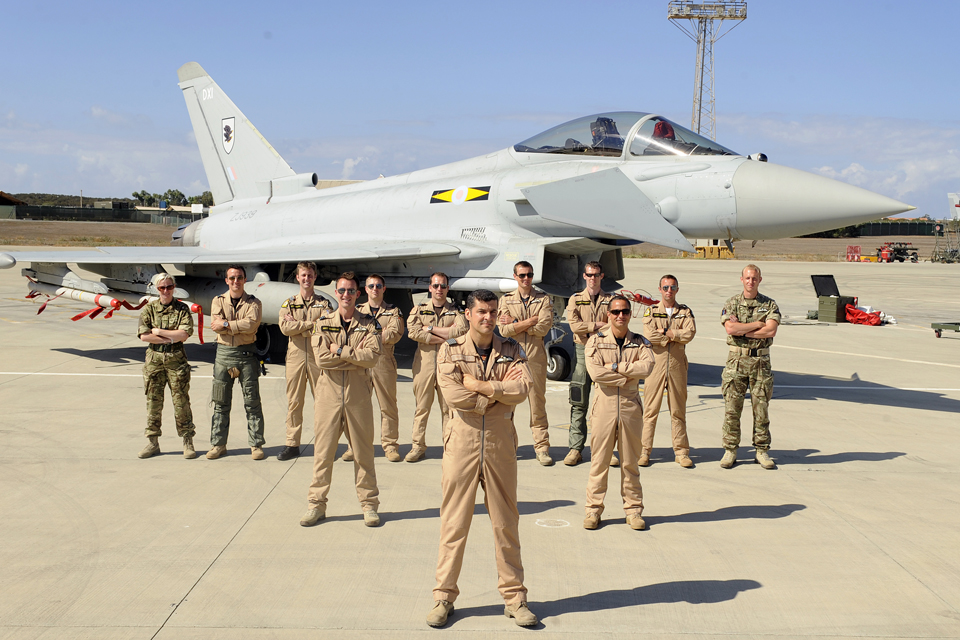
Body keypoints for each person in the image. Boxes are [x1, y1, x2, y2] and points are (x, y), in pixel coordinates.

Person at [427, 289, 538, 628]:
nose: (487, 317)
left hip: (500, 443)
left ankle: (515, 598)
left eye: (492, 311)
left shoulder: (512, 348)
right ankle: (443, 597)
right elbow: (453, 395)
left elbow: (523, 389)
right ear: (469, 314)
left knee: (506, 522)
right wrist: (495, 393)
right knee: (454, 522)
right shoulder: (450, 349)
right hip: (462, 441)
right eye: (481, 311)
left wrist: (482, 386)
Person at [300, 272, 383, 527]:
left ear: (358, 294)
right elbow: (322, 359)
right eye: (341, 291)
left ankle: (369, 505)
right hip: (328, 393)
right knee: (323, 452)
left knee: (363, 452)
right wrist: (352, 355)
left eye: (350, 291)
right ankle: (316, 505)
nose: (346, 295)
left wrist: (339, 350)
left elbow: (372, 357)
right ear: (335, 293)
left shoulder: (370, 324)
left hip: (358, 394)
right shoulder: (322, 322)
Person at [583, 295, 655, 531]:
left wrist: (616, 367)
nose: (620, 316)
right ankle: (593, 510)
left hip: (630, 407)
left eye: (624, 311)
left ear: (630, 314)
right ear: (608, 315)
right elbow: (595, 374)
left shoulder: (640, 342)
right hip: (603, 406)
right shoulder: (595, 341)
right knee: (599, 462)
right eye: (615, 312)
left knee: (630, 462)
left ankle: (634, 510)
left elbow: (647, 367)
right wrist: (628, 376)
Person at [720, 264, 780, 470]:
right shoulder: (732, 303)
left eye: (754, 278)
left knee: (761, 409)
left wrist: (742, 331)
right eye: (747, 278)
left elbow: (771, 331)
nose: (750, 281)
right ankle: (730, 450)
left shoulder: (769, 304)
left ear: (759, 280)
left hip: (760, 363)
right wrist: (757, 325)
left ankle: (762, 451)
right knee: (732, 409)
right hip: (736, 363)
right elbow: (730, 327)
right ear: (741, 279)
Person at [341, 274, 405, 462]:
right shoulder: (358, 310)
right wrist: (378, 336)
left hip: (383, 364)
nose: (375, 288)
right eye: (371, 286)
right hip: (360, 364)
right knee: (357, 407)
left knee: (388, 407)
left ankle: (390, 445)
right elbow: (350, 335)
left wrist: (368, 337)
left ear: (384, 289)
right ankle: (355, 446)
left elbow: (394, 334)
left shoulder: (394, 311)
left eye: (378, 285)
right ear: (366, 289)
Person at [405, 272, 467, 462]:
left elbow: (461, 331)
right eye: (436, 285)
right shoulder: (419, 309)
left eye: (443, 286)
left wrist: (430, 329)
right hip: (424, 366)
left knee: (448, 409)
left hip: (448, 367)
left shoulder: (455, 311)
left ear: (448, 289)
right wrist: (446, 335)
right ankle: (417, 446)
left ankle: (449, 447)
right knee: (422, 408)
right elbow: (413, 332)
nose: (439, 289)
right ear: (430, 288)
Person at [497, 261, 554, 466]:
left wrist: (516, 324)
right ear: (515, 276)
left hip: (535, 357)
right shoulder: (506, 300)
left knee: (537, 404)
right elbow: (503, 331)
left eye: (529, 275)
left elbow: (543, 328)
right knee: (508, 404)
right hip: (512, 358)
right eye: (522, 275)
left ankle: (542, 448)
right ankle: (509, 446)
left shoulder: (543, 299)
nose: (526, 279)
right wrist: (530, 322)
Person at [208, 265, 266, 460]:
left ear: (244, 280)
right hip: (223, 356)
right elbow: (215, 325)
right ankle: (218, 444)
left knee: (252, 403)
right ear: (227, 280)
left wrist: (226, 324)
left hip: (247, 356)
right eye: (232, 278)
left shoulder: (253, 302)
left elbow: (251, 325)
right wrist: (233, 326)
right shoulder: (218, 301)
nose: (235, 281)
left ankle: (256, 445)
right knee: (220, 403)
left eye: (239, 277)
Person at [137, 273, 197, 459]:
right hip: (154, 361)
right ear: (157, 289)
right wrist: (171, 336)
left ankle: (187, 441)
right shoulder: (149, 309)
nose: (166, 290)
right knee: (153, 403)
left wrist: (160, 332)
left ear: (174, 287)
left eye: (169, 287)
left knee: (181, 403)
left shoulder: (182, 309)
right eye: (162, 287)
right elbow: (144, 336)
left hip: (176, 361)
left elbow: (184, 335)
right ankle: (152, 442)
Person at [641, 275, 697, 468]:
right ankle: (644, 451)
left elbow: (689, 333)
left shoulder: (685, 311)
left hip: (677, 365)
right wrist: (672, 336)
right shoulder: (651, 311)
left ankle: (681, 452)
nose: (669, 291)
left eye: (672, 287)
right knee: (650, 410)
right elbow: (649, 335)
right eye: (665, 287)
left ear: (677, 290)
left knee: (678, 411)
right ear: (660, 289)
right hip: (656, 364)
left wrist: (667, 332)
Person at [564, 261, 615, 467]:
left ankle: (607, 451)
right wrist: (597, 325)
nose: (592, 278)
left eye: (596, 275)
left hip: (605, 353)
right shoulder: (576, 299)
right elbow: (574, 325)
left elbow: (615, 324)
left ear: (602, 276)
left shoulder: (611, 300)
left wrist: (594, 329)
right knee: (579, 401)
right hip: (583, 352)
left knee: (606, 404)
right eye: (589, 275)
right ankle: (575, 449)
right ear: (584, 276)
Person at [277, 261, 329, 461]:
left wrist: (298, 325)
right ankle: (292, 444)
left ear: (315, 277)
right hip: (296, 356)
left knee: (323, 403)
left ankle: (323, 445)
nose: (307, 279)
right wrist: (311, 325)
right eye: (303, 275)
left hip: (318, 356)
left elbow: (325, 327)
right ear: (297, 277)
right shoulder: (289, 303)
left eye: (310, 275)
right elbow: (284, 328)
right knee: (294, 402)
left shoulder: (324, 303)